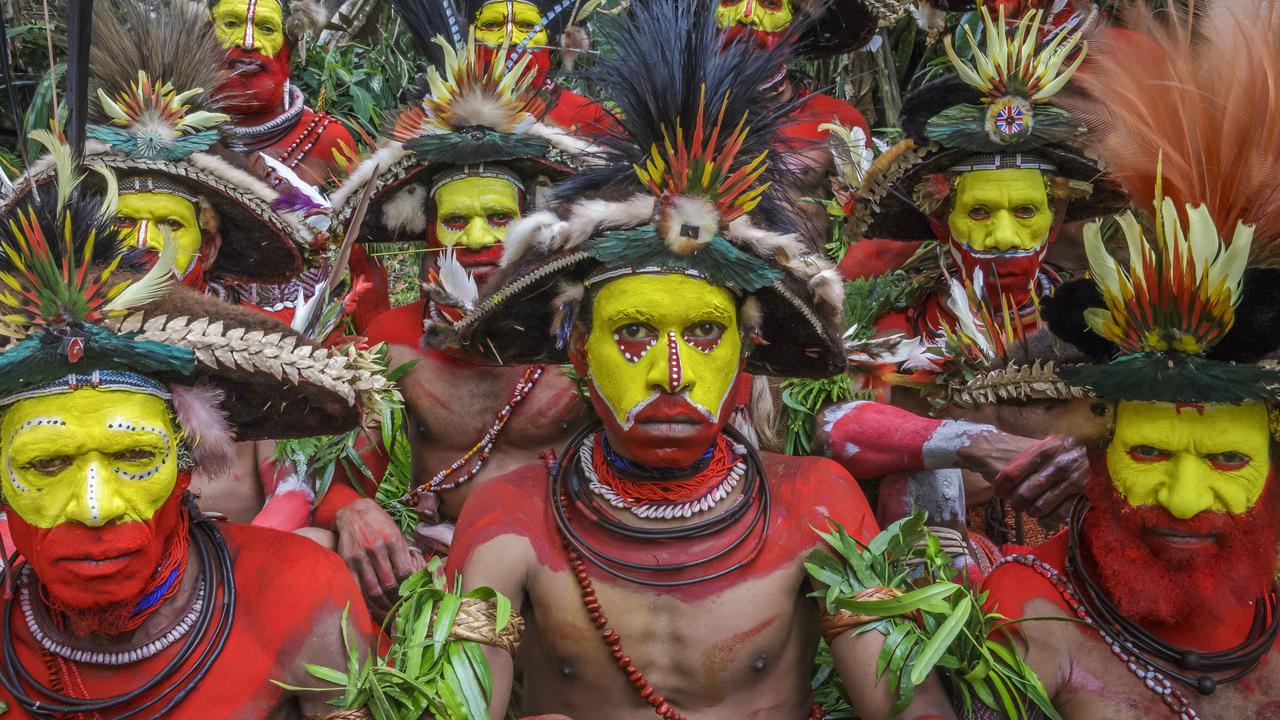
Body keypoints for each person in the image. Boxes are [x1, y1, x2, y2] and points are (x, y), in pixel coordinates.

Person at [446, 3, 954, 717]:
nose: (672, 374)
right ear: (580, 354)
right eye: (632, 337)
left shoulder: (816, 502)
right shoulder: (512, 514)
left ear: (748, 357)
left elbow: (909, 708)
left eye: (706, 336)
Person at [0, 154, 378, 719]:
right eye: (46, 465)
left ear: (186, 459)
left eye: (134, 455)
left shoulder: (299, 593)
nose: (96, 509)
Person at [981, 2, 1280, 716]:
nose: (1182, 500)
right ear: (1090, 449)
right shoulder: (1030, 614)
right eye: (1147, 454)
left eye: (1229, 461)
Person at [813, 5, 1125, 557]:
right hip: (950, 571)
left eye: (1026, 213)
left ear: (1055, 222)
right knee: (918, 490)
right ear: (939, 219)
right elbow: (839, 427)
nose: (1005, 237)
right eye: (980, 213)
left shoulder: (1106, 321)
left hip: (1085, 563)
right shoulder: (899, 318)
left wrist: (1094, 454)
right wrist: (972, 444)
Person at [320, 7, 591, 615]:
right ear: (429, 229)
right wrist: (357, 511)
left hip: (570, 564)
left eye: (500, 217)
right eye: (456, 220)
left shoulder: (587, 331)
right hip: (435, 568)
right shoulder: (392, 340)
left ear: (537, 222)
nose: (476, 238)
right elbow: (341, 486)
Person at [210, 0, 355, 188]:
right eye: (231, 24)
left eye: (267, 28)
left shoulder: (326, 138)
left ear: (289, 46)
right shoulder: (172, 129)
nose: (247, 42)